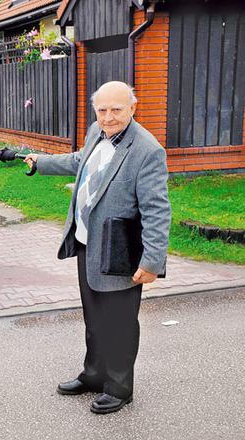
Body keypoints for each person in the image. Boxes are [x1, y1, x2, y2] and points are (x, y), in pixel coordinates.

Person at [24, 81, 171, 414]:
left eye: (116, 109)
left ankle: (119, 387)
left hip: (120, 250)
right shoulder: (96, 132)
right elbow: (80, 161)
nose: (108, 117)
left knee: (119, 322)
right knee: (94, 318)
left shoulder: (147, 150)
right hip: (88, 243)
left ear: (132, 108)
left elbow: (157, 210)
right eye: (102, 110)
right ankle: (94, 375)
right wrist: (41, 162)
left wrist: (151, 261)